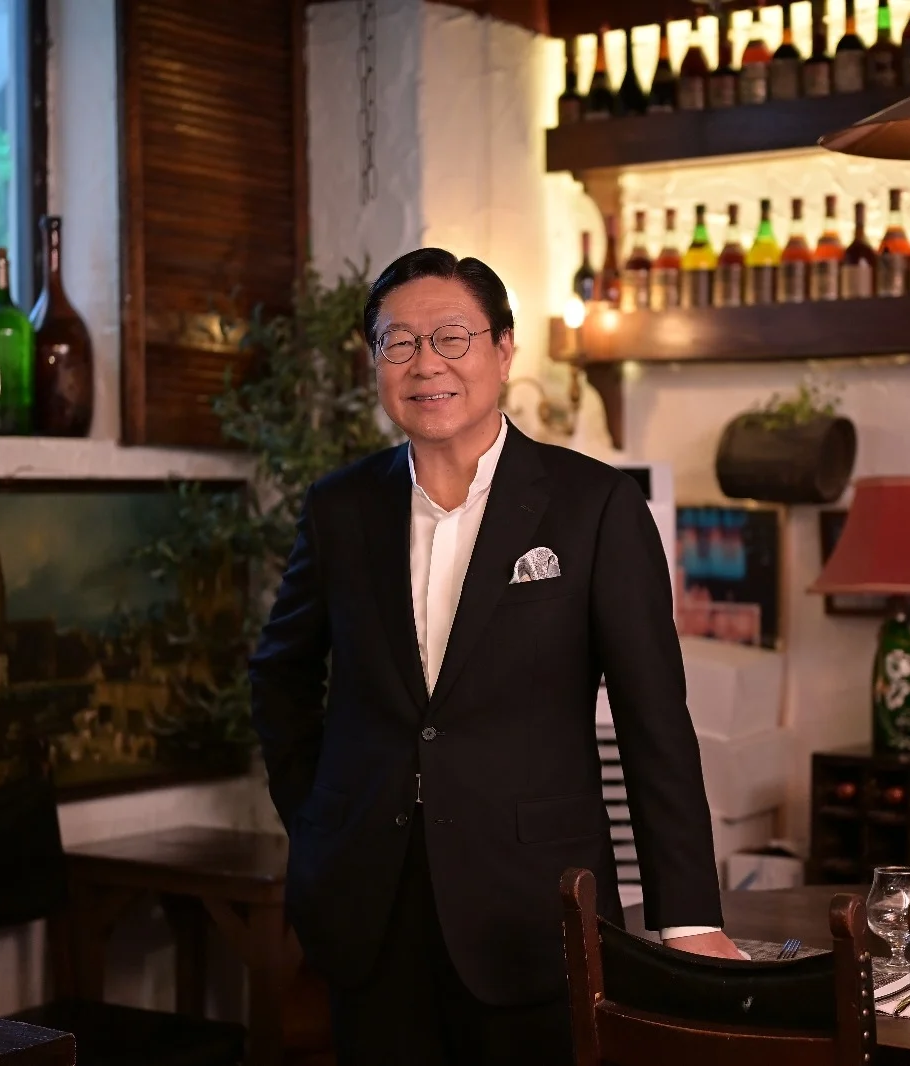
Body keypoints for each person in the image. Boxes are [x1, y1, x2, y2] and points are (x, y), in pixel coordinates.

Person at [250, 248, 735, 1066]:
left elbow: (654, 720)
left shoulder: (594, 506)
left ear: (504, 351)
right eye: (399, 343)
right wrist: (321, 815)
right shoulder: (340, 508)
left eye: (452, 337)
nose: (426, 364)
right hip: (370, 910)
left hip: (536, 912)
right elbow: (280, 675)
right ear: (375, 362)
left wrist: (688, 920)